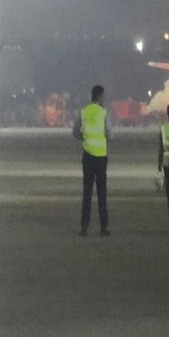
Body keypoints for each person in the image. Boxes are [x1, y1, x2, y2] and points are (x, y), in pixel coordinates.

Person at [73, 85, 110, 237]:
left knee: (87, 193)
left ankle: (84, 226)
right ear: (100, 97)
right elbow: (109, 133)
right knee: (102, 194)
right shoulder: (103, 113)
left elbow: (76, 131)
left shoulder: (83, 112)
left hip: (87, 155)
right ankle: (104, 227)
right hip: (101, 156)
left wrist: (86, 139)